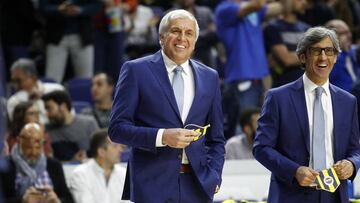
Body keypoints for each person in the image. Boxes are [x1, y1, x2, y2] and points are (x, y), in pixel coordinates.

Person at [108, 9, 225, 203]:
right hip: (151, 185)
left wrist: (214, 176)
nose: (182, 38)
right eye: (175, 31)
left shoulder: (210, 76)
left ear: (195, 41)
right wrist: (162, 136)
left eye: (189, 33)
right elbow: (117, 129)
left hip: (198, 185)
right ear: (161, 37)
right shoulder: (136, 70)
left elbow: (217, 138)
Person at [253, 26, 360, 203]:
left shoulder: (348, 101)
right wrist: (294, 171)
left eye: (329, 51)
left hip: (334, 196)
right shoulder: (278, 97)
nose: (323, 57)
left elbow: (355, 150)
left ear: (335, 58)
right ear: (303, 56)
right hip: (290, 194)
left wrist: (352, 164)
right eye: (316, 51)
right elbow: (261, 148)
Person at [215, 0, 282, 139]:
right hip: (241, 77)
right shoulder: (225, 9)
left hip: (261, 77)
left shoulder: (252, 9)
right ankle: (239, 159)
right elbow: (256, 5)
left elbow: (277, 8)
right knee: (244, 125)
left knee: (263, 124)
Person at [0, 123, 74, 203]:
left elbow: (69, 199)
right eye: (28, 147)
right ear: (18, 142)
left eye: (38, 147)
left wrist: (57, 201)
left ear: (43, 143)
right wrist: (22, 200)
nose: (33, 152)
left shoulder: (54, 165)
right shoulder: (5, 166)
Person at [69, 129, 129, 203]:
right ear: (101, 152)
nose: (120, 149)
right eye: (115, 146)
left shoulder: (124, 174)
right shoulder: (80, 174)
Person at [42, 90, 99, 162]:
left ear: (63, 107)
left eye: (49, 108)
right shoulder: (46, 129)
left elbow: (101, 153)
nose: (47, 114)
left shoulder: (89, 124)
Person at [264, 0, 309, 87]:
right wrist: (311, 55)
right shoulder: (272, 28)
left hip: (306, 86)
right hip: (284, 86)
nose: (304, 2)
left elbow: (316, 57)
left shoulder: (307, 28)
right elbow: (287, 59)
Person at [7, 58, 64, 123]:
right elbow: (20, 128)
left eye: (19, 81)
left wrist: (41, 99)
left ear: (34, 79)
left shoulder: (57, 89)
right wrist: (29, 102)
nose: (16, 86)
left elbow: (69, 119)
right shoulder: (13, 102)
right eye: (14, 82)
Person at [327, 19, 360, 92]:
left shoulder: (352, 52)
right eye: (344, 33)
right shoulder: (329, 60)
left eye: (349, 32)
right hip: (342, 99)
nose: (350, 36)